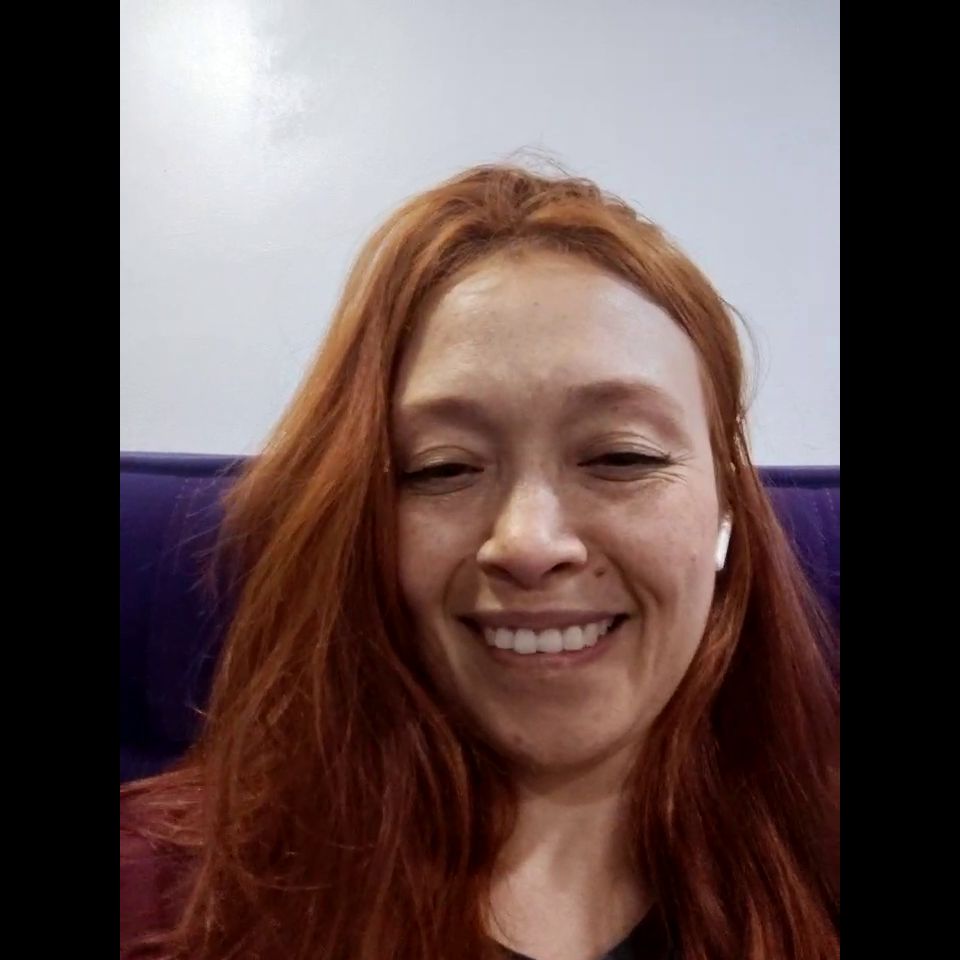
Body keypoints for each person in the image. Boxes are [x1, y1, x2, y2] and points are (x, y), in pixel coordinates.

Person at [120, 162, 839, 960]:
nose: (528, 543)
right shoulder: (157, 897)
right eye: (444, 468)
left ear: (728, 506)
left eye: (621, 457)